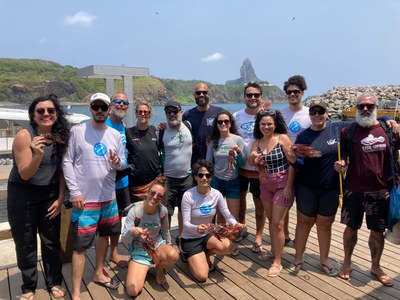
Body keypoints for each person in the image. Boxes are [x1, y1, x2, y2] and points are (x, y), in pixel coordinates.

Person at [62, 92, 126, 300]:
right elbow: (67, 162)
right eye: (95, 107)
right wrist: (74, 192)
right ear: (90, 108)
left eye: (103, 107)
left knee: (105, 236)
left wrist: (116, 162)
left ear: (109, 110)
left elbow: (122, 163)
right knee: (80, 247)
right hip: (85, 200)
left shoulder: (115, 135)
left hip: (108, 197)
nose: (100, 111)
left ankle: (99, 272)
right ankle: (77, 293)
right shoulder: (77, 131)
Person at [8, 94, 69, 300]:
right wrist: (38, 155)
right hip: (22, 193)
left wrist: (60, 199)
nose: (46, 114)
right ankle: (28, 286)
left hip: (49, 192)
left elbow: (62, 172)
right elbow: (25, 173)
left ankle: (54, 281)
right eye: (40, 111)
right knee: (25, 242)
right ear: (33, 116)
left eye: (50, 111)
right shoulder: (25, 136)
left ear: (56, 114)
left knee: (51, 241)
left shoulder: (60, 137)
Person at [334, 92, 400, 286]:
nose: (365, 109)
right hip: (354, 189)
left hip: (381, 191)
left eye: (369, 106)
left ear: (375, 108)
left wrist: (392, 121)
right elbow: (343, 155)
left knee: (377, 232)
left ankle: (375, 266)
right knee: (350, 228)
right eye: (361, 106)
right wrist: (340, 164)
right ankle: (347, 262)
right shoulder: (348, 132)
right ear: (356, 108)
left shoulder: (389, 131)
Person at [180, 159, 246, 282]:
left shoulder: (216, 194)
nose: (204, 178)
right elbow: (185, 223)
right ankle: (189, 256)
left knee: (229, 246)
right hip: (190, 238)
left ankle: (205, 254)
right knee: (202, 276)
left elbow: (227, 213)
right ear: (195, 177)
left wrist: (236, 224)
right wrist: (196, 228)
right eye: (200, 175)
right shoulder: (188, 195)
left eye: (207, 175)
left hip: (207, 235)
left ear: (211, 177)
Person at [249, 109, 296, 277]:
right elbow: (251, 161)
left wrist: (289, 187)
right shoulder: (257, 141)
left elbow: (293, 162)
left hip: (283, 183)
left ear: (275, 124)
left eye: (269, 124)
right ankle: (275, 249)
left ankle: (277, 261)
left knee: (277, 223)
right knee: (271, 220)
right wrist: (255, 157)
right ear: (259, 125)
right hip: (265, 183)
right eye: (263, 124)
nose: (266, 127)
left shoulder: (282, 138)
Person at [121, 177, 179, 298]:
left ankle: (159, 267)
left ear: (162, 199)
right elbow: (125, 240)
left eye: (159, 196)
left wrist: (167, 248)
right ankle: (139, 266)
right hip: (139, 249)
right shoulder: (135, 212)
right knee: (133, 291)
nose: (155, 197)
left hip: (157, 245)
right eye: (152, 193)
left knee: (173, 255)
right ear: (147, 192)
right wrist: (132, 231)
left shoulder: (162, 210)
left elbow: (165, 231)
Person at [233, 81, 269, 252]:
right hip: (240, 168)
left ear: (261, 97)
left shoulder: (266, 116)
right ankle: (241, 228)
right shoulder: (236, 116)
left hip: (259, 169)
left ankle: (259, 236)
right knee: (240, 202)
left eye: (256, 95)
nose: (253, 98)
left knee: (259, 204)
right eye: (249, 95)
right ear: (244, 97)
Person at [281, 75, 311, 246]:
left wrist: (385, 119)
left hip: (305, 166)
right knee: (284, 202)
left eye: (296, 92)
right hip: (285, 164)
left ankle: (300, 240)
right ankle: (285, 235)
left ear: (302, 93)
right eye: (289, 92)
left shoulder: (309, 113)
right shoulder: (281, 114)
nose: (292, 94)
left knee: (303, 205)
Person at [159, 100, 193, 244]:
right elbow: (157, 153)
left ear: (181, 111)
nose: (172, 114)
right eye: (169, 112)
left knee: (185, 211)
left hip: (187, 177)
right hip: (169, 179)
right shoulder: (161, 130)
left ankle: (182, 237)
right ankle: (166, 241)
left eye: (175, 111)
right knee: (166, 212)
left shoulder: (188, 126)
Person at [206, 110, 246, 222]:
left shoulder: (237, 140)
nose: (223, 124)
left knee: (233, 217)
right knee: (221, 217)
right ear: (216, 124)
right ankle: (221, 239)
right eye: (220, 122)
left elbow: (243, 163)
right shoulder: (213, 141)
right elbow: (208, 163)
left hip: (233, 181)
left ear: (230, 123)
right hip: (217, 182)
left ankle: (234, 237)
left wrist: (238, 152)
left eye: (226, 121)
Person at [105, 92, 130, 268]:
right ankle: (101, 254)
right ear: (111, 105)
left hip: (123, 181)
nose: (121, 105)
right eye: (118, 101)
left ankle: (113, 251)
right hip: (106, 181)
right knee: (105, 219)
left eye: (125, 102)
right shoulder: (103, 124)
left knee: (118, 217)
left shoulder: (123, 126)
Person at [126, 101, 161, 203]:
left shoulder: (155, 131)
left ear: (149, 114)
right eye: (140, 111)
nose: (142, 114)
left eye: (145, 112)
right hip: (137, 186)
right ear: (136, 113)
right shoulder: (128, 133)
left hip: (155, 181)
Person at [183, 82, 223, 164]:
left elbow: (230, 132)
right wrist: (165, 126)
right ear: (194, 95)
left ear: (209, 94)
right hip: (195, 162)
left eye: (204, 92)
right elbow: (178, 130)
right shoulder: (187, 115)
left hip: (216, 161)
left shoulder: (219, 112)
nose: (201, 95)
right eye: (198, 93)